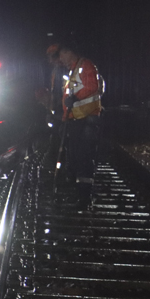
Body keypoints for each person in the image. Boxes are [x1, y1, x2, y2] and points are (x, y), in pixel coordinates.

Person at [58, 45, 103, 207]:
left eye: (62, 53)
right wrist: (65, 119)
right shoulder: (74, 70)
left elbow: (93, 86)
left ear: (70, 51)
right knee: (76, 158)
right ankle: (79, 194)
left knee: (84, 158)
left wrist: (76, 97)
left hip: (87, 119)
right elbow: (68, 100)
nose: (60, 58)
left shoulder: (85, 66)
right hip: (77, 119)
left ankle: (84, 198)